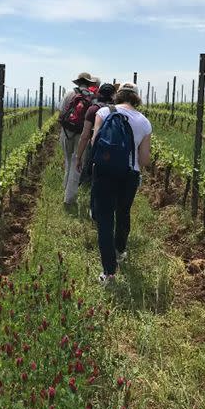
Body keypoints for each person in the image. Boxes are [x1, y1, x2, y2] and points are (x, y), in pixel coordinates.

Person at [91, 82, 152, 283]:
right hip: (129, 175)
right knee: (123, 212)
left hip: (104, 172)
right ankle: (120, 250)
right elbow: (144, 160)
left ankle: (108, 272)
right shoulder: (144, 122)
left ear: (118, 95)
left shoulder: (103, 112)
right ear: (137, 97)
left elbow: (94, 143)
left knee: (105, 219)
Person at [59, 72, 97, 207]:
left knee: (68, 160)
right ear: (90, 84)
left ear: (78, 82)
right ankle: (69, 198)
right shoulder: (93, 97)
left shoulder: (69, 93)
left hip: (67, 131)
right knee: (77, 163)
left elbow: (62, 111)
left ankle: (65, 187)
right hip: (82, 134)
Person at [75, 83, 117, 182]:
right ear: (113, 95)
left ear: (99, 93)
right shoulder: (117, 110)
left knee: (89, 178)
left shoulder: (93, 109)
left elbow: (85, 136)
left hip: (95, 149)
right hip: (113, 149)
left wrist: (79, 157)